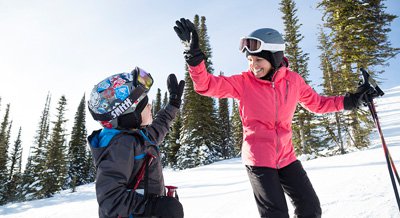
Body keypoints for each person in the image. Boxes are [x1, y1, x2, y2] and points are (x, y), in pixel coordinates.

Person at [173, 18, 372, 218]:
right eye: (250, 60)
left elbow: (317, 104)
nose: (253, 66)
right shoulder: (243, 83)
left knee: (310, 208)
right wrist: (194, 57)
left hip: (286, 157)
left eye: (258, 60)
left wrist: (351, 101)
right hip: (259, 160)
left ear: (274, 57)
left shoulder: (293, 81)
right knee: (276, 214)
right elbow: (205, 85)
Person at [87, 67, 185, 218]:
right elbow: (110, 199)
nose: (150, 106)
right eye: (145, 105)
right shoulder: (121, 145)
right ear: (129, 113)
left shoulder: (135, 137)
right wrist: (153, 206)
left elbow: (158, 129)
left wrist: (173, 104)